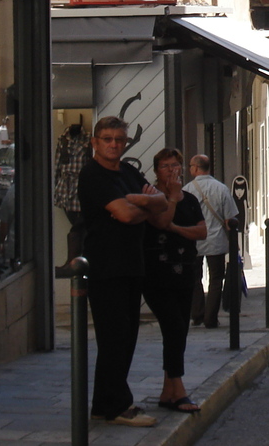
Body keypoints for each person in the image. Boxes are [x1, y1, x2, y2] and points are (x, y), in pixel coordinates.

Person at [78, 116, 168, 427]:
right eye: (107, 139)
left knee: (126, 337)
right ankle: (118, 406)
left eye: (119, 139)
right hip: (106, 267)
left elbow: (161, 202)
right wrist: (145, 204)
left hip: (132, 263)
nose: (114, 144)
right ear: (95, 142)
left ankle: (104, 404)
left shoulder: (128, 171)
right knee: (114, 337)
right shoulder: (93, 175)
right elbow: (126, 214)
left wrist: (139, 200)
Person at [142, 149, 206, 413]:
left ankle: (168, 390)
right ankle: (178, 389)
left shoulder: (190, 199)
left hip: (186, 272)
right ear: (156, 171)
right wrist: (171, 199)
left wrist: (177, 229)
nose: (171, 170)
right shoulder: (151, 197)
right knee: (173, 328)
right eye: (166, 166)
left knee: (181, 328)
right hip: (156, 275)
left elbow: (201, 231)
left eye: (175, 165)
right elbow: (160, 222)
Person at [184, 154, 238, 328]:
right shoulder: (221, 189)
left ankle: (197, 314)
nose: (189, 168)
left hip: (195, 240)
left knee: (194, 278)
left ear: (196, 168)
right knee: (216, 279)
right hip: (216, 241)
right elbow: (230, 218)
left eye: (191, 165)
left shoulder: (187, 190)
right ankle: (210, 317)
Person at [53, 123, 92, 275]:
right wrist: (55, 186)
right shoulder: (62, 140)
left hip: (83, 185)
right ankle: (75, 263)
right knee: (77, 226)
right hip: (66, 188)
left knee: (80, 226)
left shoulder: (88, 139)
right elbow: (57, 165)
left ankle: (75, 263)